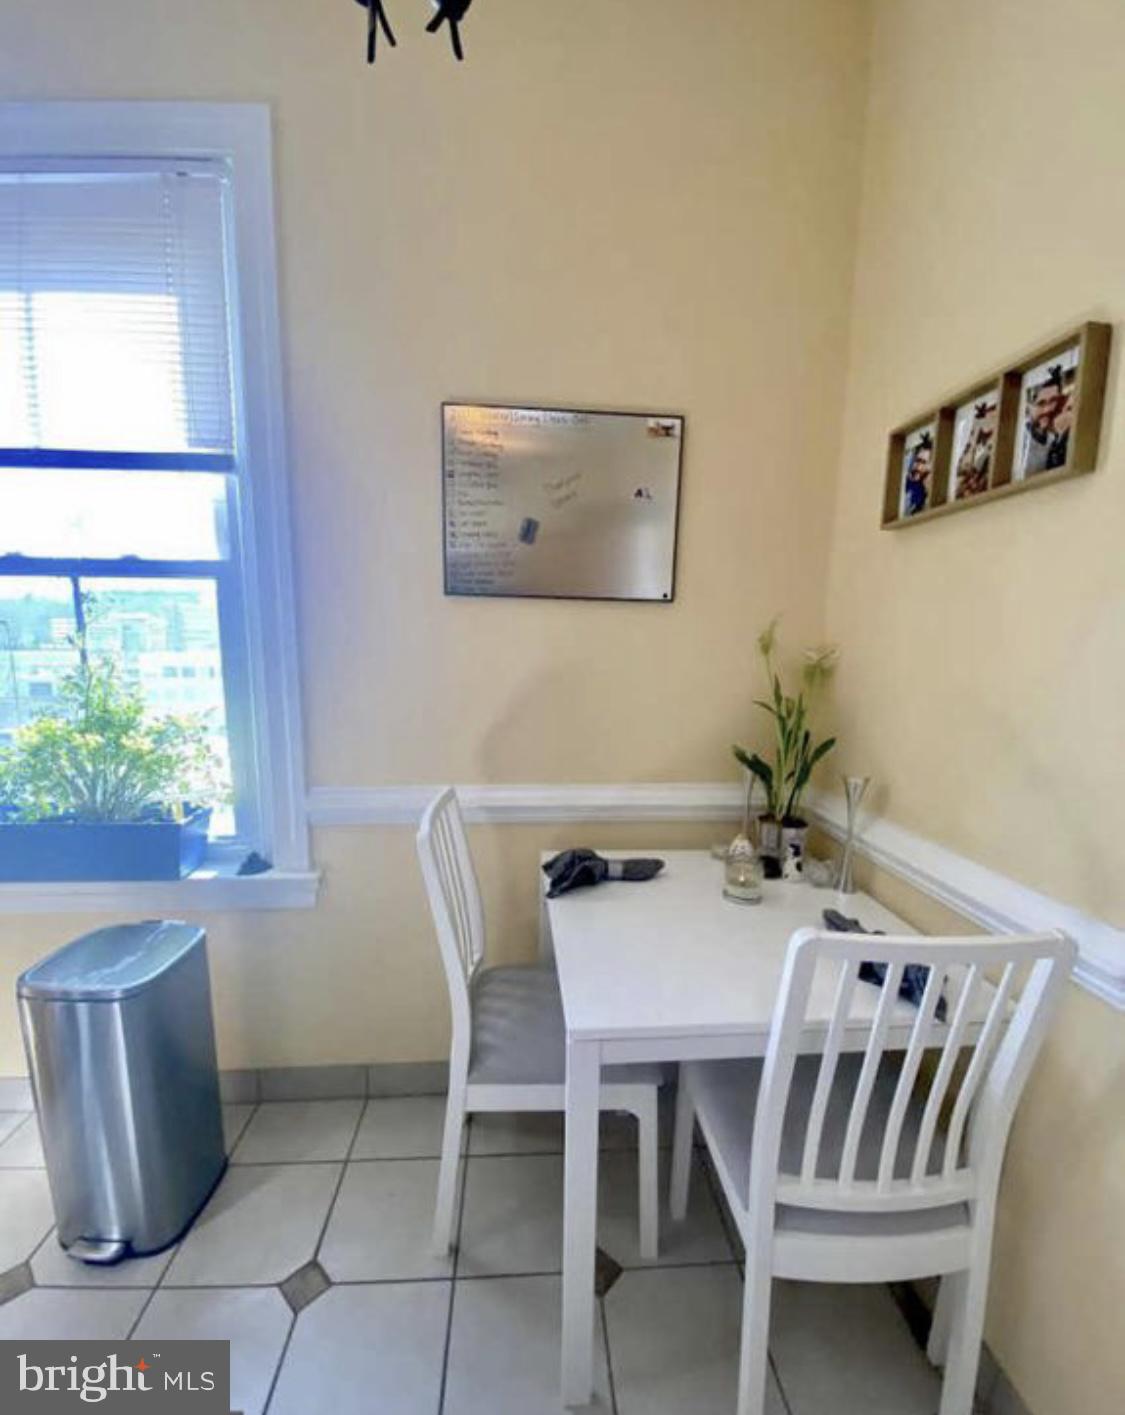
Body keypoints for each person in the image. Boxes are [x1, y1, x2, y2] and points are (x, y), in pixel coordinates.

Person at [903, 433, 934, 515]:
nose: (917, 466)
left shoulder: (927, 492)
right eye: (917, 461)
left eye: (923, 462)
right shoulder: (906, 484)